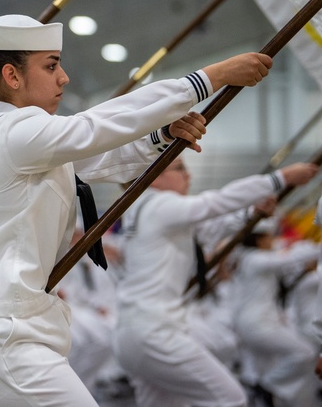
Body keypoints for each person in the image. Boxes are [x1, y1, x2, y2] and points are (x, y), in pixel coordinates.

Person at [0, 14, 272, 407]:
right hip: (6, 335)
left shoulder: (0, 131)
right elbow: (95, 126)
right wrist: (206, 79)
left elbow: (97, 158)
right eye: (51, 65)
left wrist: (162, 135)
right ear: (12, 77)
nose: (63, 77)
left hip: (2, 330)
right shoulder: (13, 130)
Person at [114, 159, 316, 407]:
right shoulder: (159, 202)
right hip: (155, 332)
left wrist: (251, 213)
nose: (188, 175)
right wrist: (280, 178)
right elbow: (216, 203)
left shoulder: (143, 209)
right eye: (179, 169)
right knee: (230, 400)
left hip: (129, 334)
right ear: (154, 176)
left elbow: (209, 227)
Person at [230, 218, 318, 406]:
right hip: (258, 324)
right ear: (259, 240)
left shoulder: (252, 258)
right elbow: (289, 257)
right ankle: (266, 387)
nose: (273, 240)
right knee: (304, 353)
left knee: (268, 367)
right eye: (269, 237)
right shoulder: (255, 258)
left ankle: (264, 391)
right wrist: (318, 248)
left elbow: (286, 253)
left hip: (254, 323)